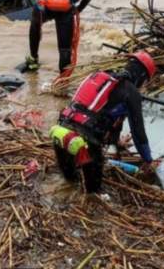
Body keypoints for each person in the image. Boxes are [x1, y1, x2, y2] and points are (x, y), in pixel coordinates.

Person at [50, 52, 157, 196]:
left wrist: (117, 142)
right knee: (93, 194)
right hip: (84, 142)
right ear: (142, 76)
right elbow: (139, 133)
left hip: (61, 132)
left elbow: (99, 113)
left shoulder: (99, 76)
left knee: (69, 183)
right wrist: (148, 160)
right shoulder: (131, 93)